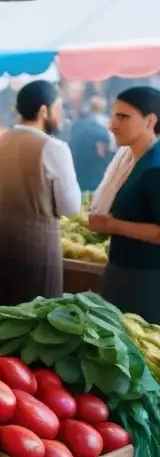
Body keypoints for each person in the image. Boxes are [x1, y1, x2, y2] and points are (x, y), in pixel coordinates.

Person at [0, 80, 81, 308]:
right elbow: (70, 207)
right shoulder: (54, 147)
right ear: (44, 110)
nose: (61, 116)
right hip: (36, 256)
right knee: (31, 328)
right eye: (58, 108)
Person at [88, 87, 160, 323]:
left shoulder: (155, 168)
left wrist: (113, 225)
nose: (112, 125)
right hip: (121, 272)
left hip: (146, 281)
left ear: (150, 120)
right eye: (113, 115)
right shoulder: (128, 161)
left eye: (123, 117)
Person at [69, 96, 114, 193]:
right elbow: (103, 152)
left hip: (78, 178)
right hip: (95, 180)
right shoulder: (104, 126)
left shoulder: (77, 124)